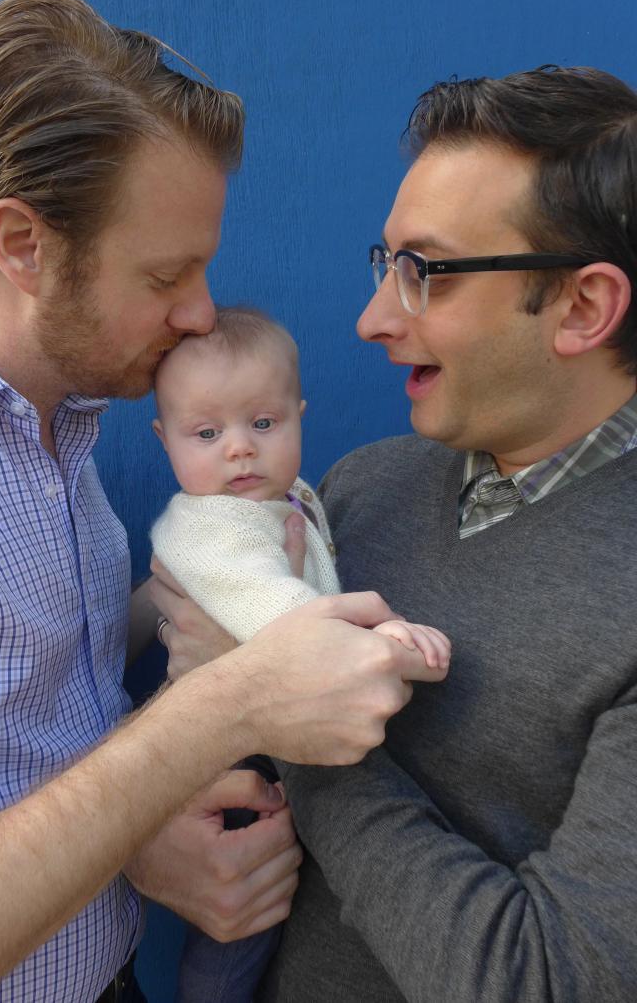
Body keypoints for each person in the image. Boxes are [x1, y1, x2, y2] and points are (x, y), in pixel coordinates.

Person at [0, 0, 448, 1003]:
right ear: (22, 244)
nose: (201, 311)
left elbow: (33, 755)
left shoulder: (64, 431)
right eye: (166, 273)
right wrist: (230, 701)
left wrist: (132, 849)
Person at [153, 64, 637, 1002]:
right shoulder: (360, 485)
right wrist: (151, 840)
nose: (375, 320)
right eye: (387, 266)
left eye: (427, 273)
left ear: (583, 306)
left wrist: (280, 698)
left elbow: (550, 982)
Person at [148, 306, 450, 1002]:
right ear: (165, 440)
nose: (240, 450)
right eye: (206, 432)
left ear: (299, 413)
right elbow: (269, 610)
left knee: (283, 902)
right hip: (231, 756)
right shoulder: (208, 525)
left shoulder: (295, 495)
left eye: (263, 423)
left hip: (281, 731)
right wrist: (377, 640)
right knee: (240, 920)